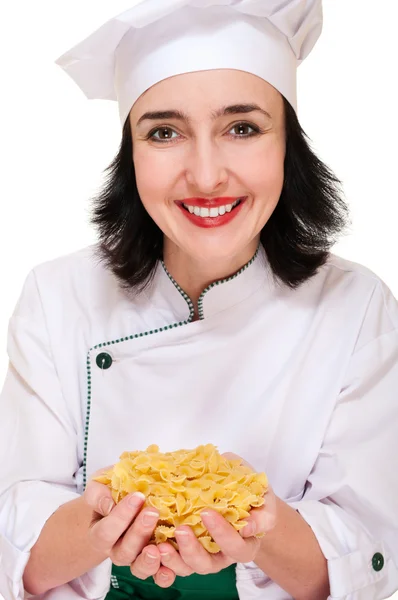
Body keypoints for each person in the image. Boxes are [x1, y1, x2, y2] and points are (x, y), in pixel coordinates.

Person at [0, 1, 397, 599]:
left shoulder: (356, 305)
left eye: (243, 127)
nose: (207, 176)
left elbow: (370, 554)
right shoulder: (57, 297)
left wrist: (254, 527)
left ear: (287, 143)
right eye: (164, 132)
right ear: (130, 155)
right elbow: (14, 538)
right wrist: (108, 525)